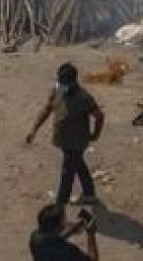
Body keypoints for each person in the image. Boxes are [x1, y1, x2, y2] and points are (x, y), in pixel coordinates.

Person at [25, 63, 105, 205]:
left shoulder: (84, 98)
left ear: (74, 81)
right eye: (59, 81)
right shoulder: (57, 91)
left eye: (63, 82)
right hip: (63, 139)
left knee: (67, 174)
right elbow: (47, 110)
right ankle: (89, 194)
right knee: (79, 164)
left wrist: (95, 134)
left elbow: (99, 116)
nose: (60, 84)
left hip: (77, 141)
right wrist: (34, 130)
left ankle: (59, 206)